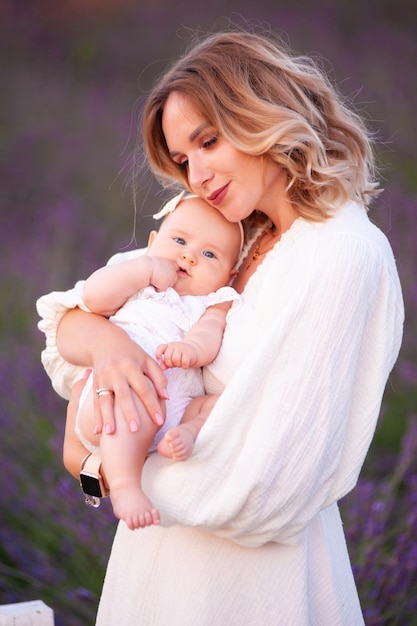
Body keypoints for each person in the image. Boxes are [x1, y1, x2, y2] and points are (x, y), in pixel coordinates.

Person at [36, 28, 404, 625]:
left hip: (252, 583)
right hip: (158, 560)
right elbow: (70, 328)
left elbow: (269, 489)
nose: (197, 173)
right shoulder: (237, 229)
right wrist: (109, 346)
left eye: (208, 141)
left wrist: (98, 464)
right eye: (184, 159)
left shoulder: (342, 253)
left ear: (263, 113)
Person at [69, 192, 242, 529]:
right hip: (115, 396)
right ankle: (124, 485)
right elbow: (93, 298)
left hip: (176, 405)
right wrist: (143, 268)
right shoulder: (135, 280)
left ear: (229, 275)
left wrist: (192, 349)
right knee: (133, 390)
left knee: (221, 405)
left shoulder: (213, 301)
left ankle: (189, 432)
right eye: (179, 240)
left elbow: (210, 333)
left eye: (209, 254)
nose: (188, 256)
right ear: (153, 242)